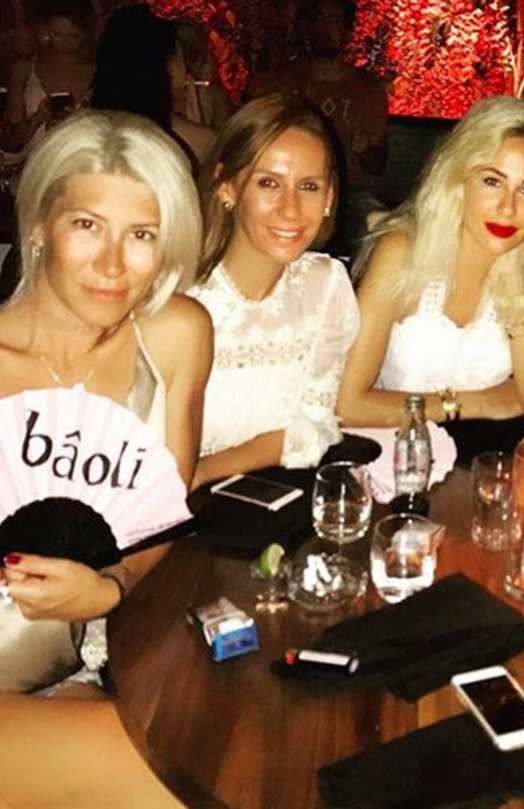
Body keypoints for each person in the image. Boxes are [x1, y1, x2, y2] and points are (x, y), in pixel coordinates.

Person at [0, 110, 211, 806]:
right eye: (88, 225)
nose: (115, 264)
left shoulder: (176, 335)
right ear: (39, 225)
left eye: (141, 234)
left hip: (80, 667)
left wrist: (111, 585)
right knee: (169, 786)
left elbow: (160, 511)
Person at [336, 95, 524, 429]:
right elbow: (348, 404)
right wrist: (478, 403)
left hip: (488, 453)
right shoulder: (401, 252)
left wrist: (515, 295)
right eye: (492, 181)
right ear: (458, 181)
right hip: (399, 447)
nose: (508, 208)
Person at [190, 93, 359, 488]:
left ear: (329, 198)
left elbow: (314, 424)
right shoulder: (181, 296)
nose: (290, 209)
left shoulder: (324, 285)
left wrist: (204, 471)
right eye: (269, 183)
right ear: (227, 187)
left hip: (276, 496)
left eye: (309, 187)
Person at [250, 0, 389, 252]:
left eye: (333, 20)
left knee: (375, 224)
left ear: (347, 30)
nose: (324, 27)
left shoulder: (367, 89)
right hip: (289, 181)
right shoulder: (280, 79)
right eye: (318, 19)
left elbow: (376, 165)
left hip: (349, 191)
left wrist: (365, 149)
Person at [90, 4, 216, 170]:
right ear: (163, 67)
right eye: (181, 57)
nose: (186, 68)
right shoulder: (202, 142)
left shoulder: (80, 134)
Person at [2, 0, 95, 152]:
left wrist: (79, 123)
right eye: (57, 35)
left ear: (85, 35)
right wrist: (38, 117)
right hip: (35, 161)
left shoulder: (98, 72)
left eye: (74, 36)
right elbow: (10, 142)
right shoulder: (24, 69)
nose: (66, 43)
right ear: (46, 31)